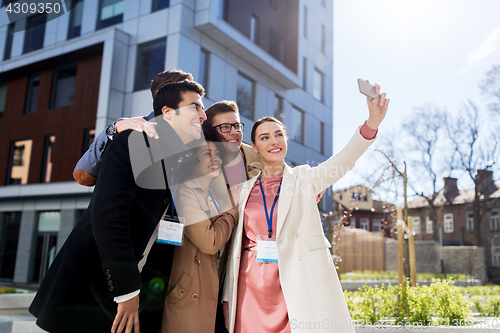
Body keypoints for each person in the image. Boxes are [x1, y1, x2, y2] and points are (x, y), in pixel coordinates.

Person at [29, 80, 207, 333]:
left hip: (139, 285)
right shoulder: (133, 141)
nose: (203, 115)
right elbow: (109, 216)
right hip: (94, 283)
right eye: (195, 107)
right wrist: (127, 291)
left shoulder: (177, 157)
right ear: (167, 112)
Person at [222, 83, 389, 333]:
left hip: (296, 283)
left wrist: (371, 124)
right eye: (264, 137)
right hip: (250, 286)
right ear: (254, 148)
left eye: (278, 134)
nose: (274, 141)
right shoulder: (241, 190)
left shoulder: (305, 179)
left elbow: (343, 161)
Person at [161, 129, 239, 333]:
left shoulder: (212, 193)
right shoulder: (186, 191)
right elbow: (209, 242)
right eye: (207, 154)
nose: (216, 160)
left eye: (218, 155)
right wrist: (231, 213)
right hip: (188, 292)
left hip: (208, 286)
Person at [72, 69, 193, 187]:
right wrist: (113, 129)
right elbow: (83, 175)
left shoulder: (195, 135)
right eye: (184, 91)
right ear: (160, 95)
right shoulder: (129, 127)